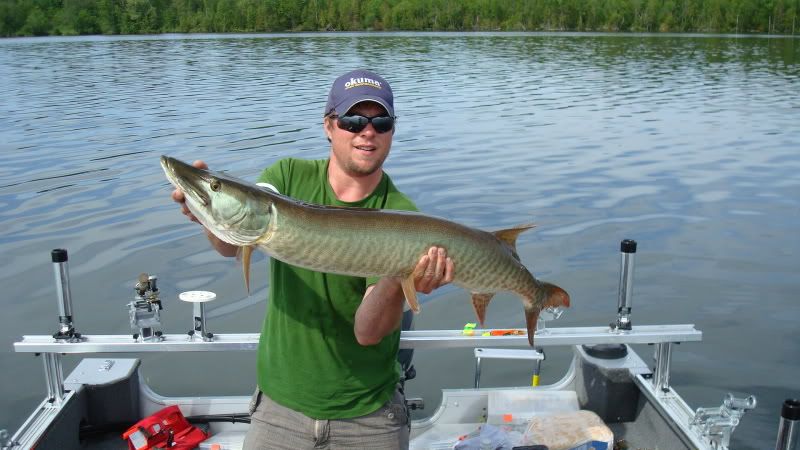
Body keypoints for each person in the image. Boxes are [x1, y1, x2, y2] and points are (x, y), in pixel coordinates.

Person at [171, 69, 455, 450]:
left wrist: (401, 275)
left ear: (391, 130)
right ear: (329, 125)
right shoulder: (287, 176)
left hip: (369, 418)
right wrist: (208, 211)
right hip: (279, 411)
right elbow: (232, 243)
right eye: (353, 120)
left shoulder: (401, 216)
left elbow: (368, 333)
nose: (366, 131)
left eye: (380, 121)